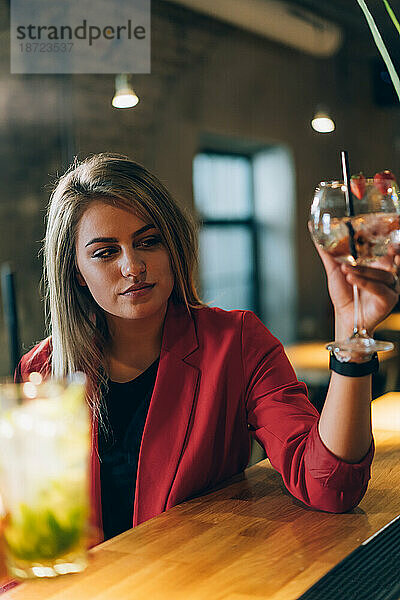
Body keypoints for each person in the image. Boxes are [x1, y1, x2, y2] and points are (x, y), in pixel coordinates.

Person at [16, 153, 400, 543]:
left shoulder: (235, 342)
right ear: (76, 273)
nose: (133, 267)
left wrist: (353, 335)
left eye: (148, 242)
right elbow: (24, 525)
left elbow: (329, 487)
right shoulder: (40, 371)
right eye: (105, 252)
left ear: (173, 246)